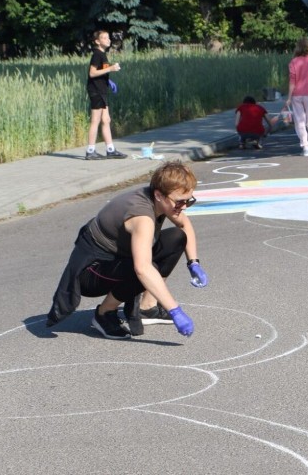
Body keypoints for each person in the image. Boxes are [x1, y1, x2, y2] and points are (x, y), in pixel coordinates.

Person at [45, 160, 208, 340]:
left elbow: (184, 225)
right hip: (90, 273)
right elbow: (143, 269)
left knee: (176, 237)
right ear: (159, 195)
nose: (184, 207)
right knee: (144, 268)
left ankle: (148, 307)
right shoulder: (142, 216)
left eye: (188, 201)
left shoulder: (162, 200)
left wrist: (193, 263)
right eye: (179, 202)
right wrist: (175, 310)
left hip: (117, 260)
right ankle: (104, 313)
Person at [85, 30, 127, 160]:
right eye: (104, 38)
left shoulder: (103, 54)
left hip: (102, 90)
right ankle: (90, 151)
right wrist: (110, 69)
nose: (108, 40)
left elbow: (99, 72)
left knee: (106, 120)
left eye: (108, 37)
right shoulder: (97, 54)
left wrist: (108, 80)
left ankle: (110, 149)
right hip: (96, 91)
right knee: (95, 120)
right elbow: (92, 73)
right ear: (97, 41)